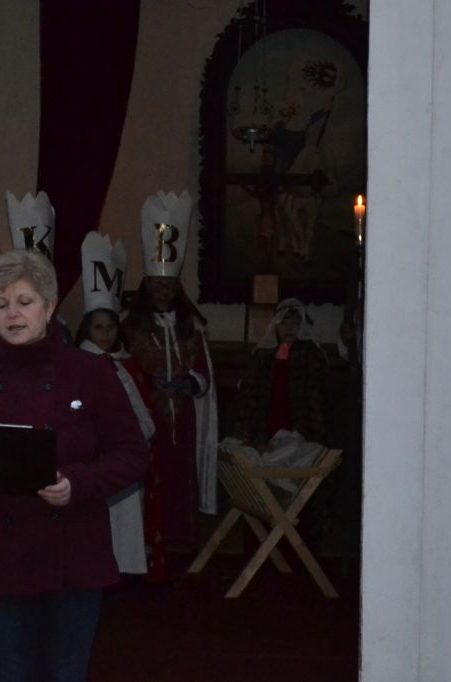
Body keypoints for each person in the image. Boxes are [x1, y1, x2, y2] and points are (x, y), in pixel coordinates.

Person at [0, 249, 150, 681]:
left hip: (74, 553)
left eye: (24, 302)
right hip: (0, 556)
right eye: (1, 303)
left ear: (48, 307)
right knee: (12, 672)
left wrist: (78, 482)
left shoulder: (91, 372)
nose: (12, 313)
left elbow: (133, 454)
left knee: (66, 673)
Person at [119, 190, 219, 563]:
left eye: (168, 286)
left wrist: (190, 383)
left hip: (184, 414)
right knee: (153, 473)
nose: (162, 292)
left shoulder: (191, 326)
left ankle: (182, 536)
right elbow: (125, 371)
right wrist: (149, 384)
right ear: (147, 287)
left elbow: (204, 373)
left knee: (181, 474)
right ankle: (150, 539)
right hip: (148, 414)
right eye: (157, 286)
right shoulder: (131, 328)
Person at [76, 231, 155, 579]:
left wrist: (140, 433)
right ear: (86, 330)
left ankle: (123, 569)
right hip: (93, 455)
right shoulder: (79, 364)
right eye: (98, 328)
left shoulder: (122, 363)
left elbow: (138, 407)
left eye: (110, 327)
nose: (106, 334)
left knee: (126, 515)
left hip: (121, 453)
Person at [225, 297, 328, 447]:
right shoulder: (263, 354)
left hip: (299, 417)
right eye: (284, 323)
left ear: (302, 326)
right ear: (275, 325)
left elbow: (316, 394)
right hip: (268, 415)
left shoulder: (311, 355)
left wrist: (314, 429)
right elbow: (250, 392)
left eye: (294, 323)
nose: (289, 328)